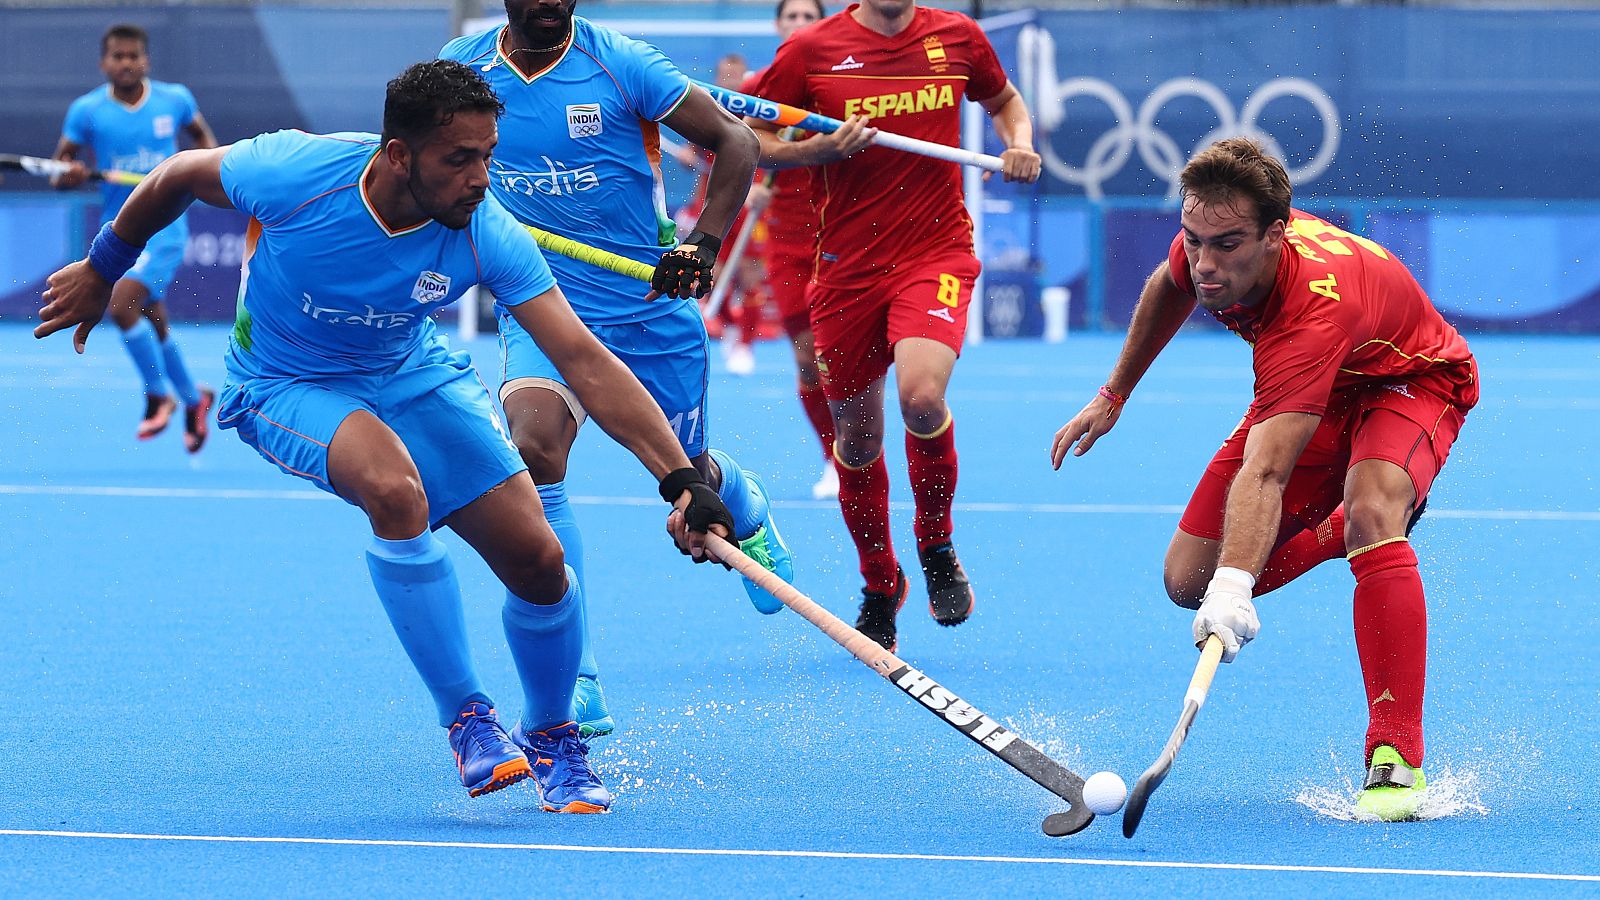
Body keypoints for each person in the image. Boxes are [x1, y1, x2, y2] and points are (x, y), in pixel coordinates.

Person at [35, 60, 742, 814]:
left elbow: (583, 361)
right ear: (398, 155)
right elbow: (176, 174)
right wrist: (103, 265)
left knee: (541, 561)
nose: (480, 178)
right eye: (460, 159)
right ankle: (469, 719)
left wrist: (682, 480)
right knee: (393, 488)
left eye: (489, 156)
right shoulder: (295, 172)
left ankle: (552, 734)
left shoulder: (486, 231)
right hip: (284, 383)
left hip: (409, 373)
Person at [1050, 138, 1479, 822]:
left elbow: (1267, 469)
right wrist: (1114, 393)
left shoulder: (1313, 309)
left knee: (1373, 515)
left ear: (1276, 235)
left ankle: (1395, 759)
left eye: (1226, 245)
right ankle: (1340, 530)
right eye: (1193, 240)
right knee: (1186, 579)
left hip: (1408, 382)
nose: (1206, 262)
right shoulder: (1204, 247)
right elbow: (1170, 286)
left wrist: (1236, 587)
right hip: (1312, 389)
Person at [440, 0, 793, 743]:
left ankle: (745, 501)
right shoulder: (463, 67)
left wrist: (702, 245)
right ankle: (578, 672)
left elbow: (735, 142)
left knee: (686, 473)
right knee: (534, 451)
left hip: (647, 306)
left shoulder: (621, 61)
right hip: (542, 306)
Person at [747, 0, 1041, 652]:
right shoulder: (811, 50)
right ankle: (882, 582)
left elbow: (1006, 101)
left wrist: (1017, 142)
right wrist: (818, 149)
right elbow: (752, 139)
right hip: (846, 267)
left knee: (922, 395)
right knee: (855, 440)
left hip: (935, 252)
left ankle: (936, 545)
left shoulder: (957, 35)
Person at [53, 23, 219, 452]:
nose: (126, 63)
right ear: (103, 63)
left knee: (122, 303)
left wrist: (196, 166)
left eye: (133, 56)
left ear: (145, 60)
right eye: (117, 56)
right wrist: (68, 174)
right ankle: (192, 398)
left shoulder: (175, 100)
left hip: (165, 225)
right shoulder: (86, 111)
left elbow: (203, 140)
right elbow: (60, 169)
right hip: (116, 230)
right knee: (152, 318)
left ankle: (156, 396)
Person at [741, 0, 836, 495]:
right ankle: (833, 458)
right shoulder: (758, 87)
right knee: (806, 357)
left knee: (839, 355)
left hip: (840, 232)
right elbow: (732, 143)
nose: (799, 25)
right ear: (778, 25)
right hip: (785, 237)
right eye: (791, 17)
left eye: (808, 16)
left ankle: (857, 451)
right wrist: (751, 181)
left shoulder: (840, 82)